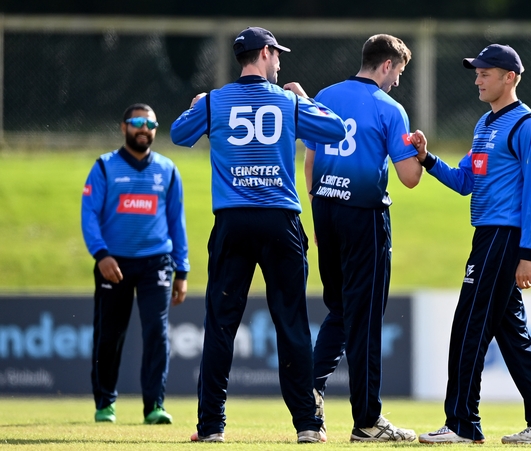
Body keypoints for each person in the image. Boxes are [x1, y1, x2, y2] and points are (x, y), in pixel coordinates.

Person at [170, 27, 346, 444]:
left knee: (220, 324)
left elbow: (179, 134)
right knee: (292, 324)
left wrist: (198, 105)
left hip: (232, 222)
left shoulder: (215, 102)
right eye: (277, 54)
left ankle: (211, 427)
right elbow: (336, 130)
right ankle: (307, 424)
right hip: (280, 221)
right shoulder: (288, 101)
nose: (280, 61)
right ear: (265, 54)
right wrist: (305, 98)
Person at [413, 44, 531, 445]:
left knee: (468, 328)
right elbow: (466, 182)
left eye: (486, 72)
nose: (478, 79)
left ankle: (462, 424)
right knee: (512, 335)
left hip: (503, 238)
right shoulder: (485, 125)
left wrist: (527, 255)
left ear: (510, 78)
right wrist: (428, 159)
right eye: (477, 72)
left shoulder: (527, 126)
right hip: (486, 235)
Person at [301, 34, 422, 443]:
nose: (398, 82)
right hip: (364, 217)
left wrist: (318, 214)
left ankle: (310, 397)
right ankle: (368, 422)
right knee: (365, 318)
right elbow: (409, 179)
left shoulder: (325, 95)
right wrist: (420, 154)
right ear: (387, 65)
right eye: (399, 73)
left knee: (338, 308)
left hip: (326, 210)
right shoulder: (391, 109)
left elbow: (311, 158)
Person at [81, 103, 189, 425]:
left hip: (156, 262)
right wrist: (101, 255)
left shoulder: (167, 170)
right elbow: (89, 215)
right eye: (138, 122)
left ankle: (154, 405)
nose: (145, 129)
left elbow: (177, 223)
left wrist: (181, 271)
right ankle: (105, 403)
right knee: (110, 335)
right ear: (124, 126)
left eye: (151, 124)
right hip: (113, 262)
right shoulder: (104, 167)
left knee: (156, 331)